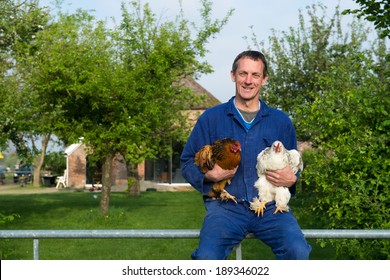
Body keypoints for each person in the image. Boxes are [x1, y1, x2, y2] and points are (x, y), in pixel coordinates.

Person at [180, 50, 312, 260]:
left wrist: (291, 180)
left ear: (264, 79)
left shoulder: (280, 121)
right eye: (243, 74)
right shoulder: (211, 118)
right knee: (206, 258)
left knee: (297, 252)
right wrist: (208, 176)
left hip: (270, 207)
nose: (248, 81)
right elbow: (186, 162)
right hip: (225, 208)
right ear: (233, 75)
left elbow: (292, 166)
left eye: (255, 75)